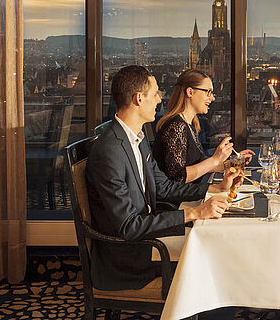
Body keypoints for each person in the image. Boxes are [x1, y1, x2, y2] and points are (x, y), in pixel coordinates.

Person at [86, 65, 243, 291]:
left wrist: (216, 189)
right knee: (216, 257)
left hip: (148, 238)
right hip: (130, 257)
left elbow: (165, 187)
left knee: (219, 244)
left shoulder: (136, 139)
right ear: (139, 98)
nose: (160, 99)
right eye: (155, 94)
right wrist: (194, 213)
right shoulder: (109, 152)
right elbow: (129, 226)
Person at [154, 69, 253, 183]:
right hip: (184, 195)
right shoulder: (176, 127)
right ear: (190, 92)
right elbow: (178, 177)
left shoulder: (188, 125)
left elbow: (199, 168)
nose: (212, 98)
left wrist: (233, 163)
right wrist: (215, 159)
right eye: (208, 92)